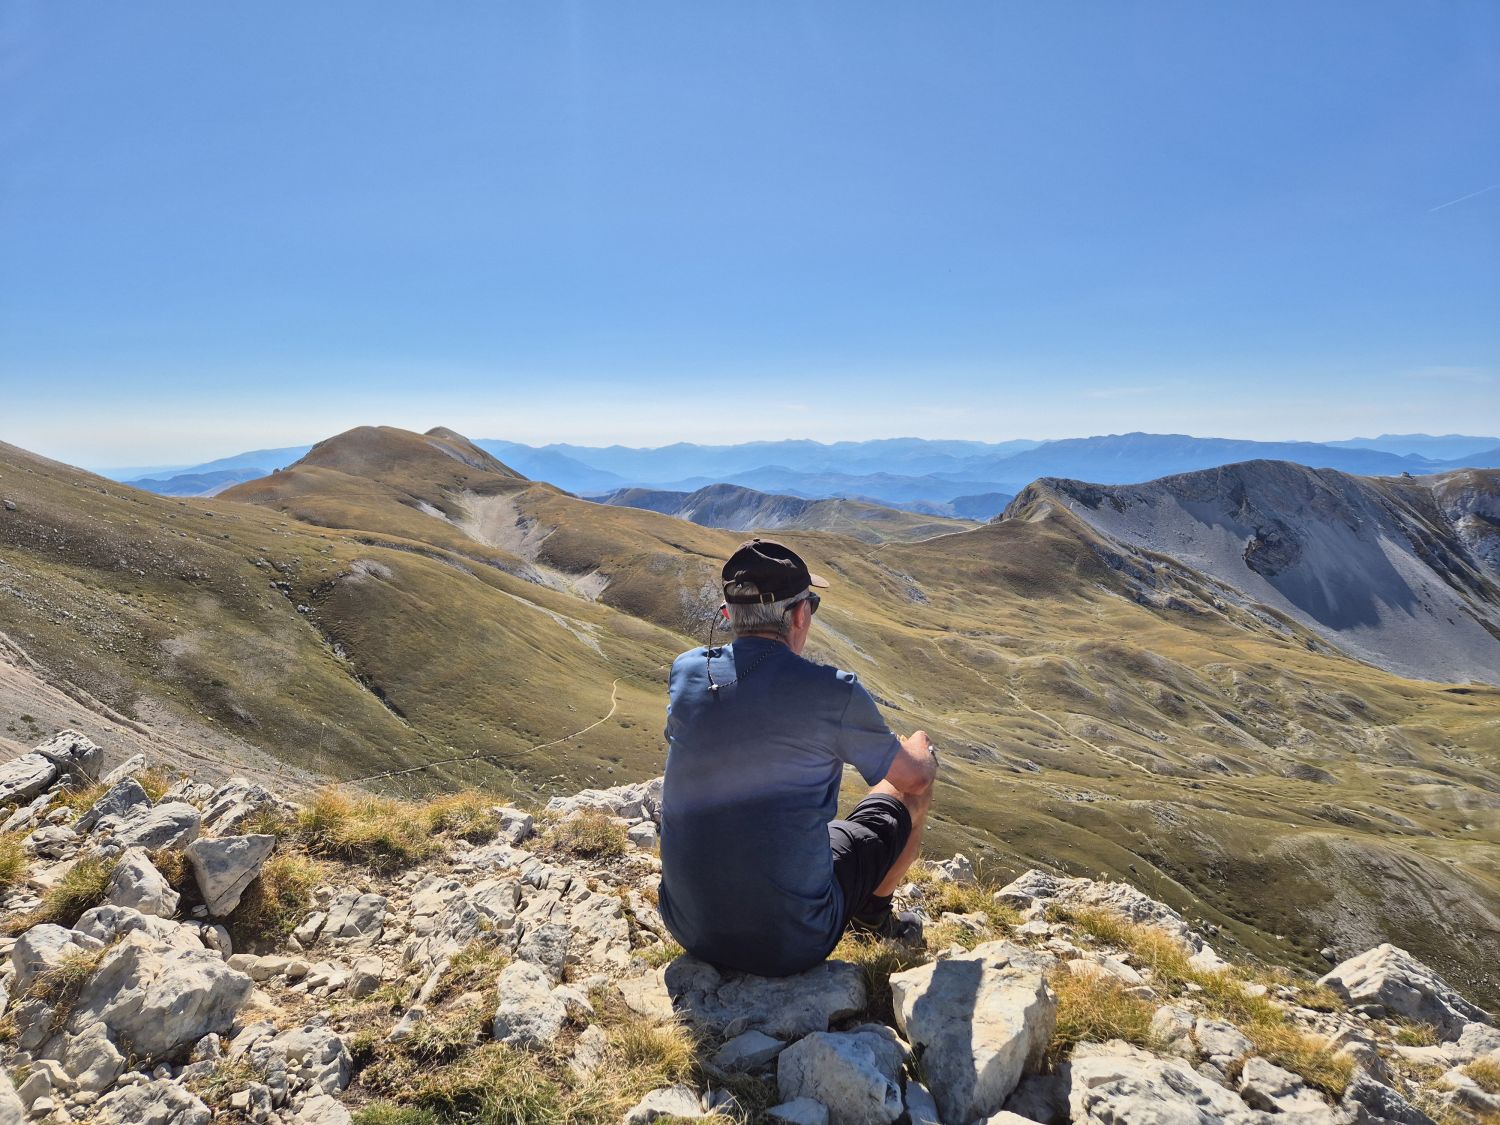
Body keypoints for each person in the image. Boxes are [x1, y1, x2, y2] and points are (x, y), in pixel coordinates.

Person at [657, 538, 938, 978]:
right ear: (800, 615)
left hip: (688, 927)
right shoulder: (832, 691)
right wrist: (921, 751)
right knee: (910, 792)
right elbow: (913, 779)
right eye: (812, 604)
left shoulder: (687, 669)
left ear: (728, 614)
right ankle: (873, 919)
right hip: (790, 943)